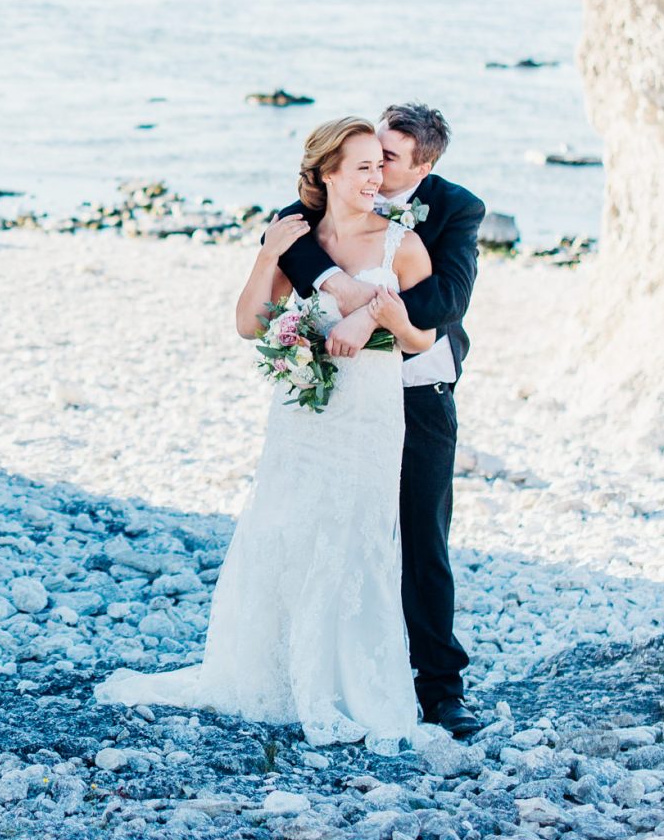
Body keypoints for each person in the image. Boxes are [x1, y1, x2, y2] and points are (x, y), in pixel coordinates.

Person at [94, 117, 437, 751]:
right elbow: (251, 324)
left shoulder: (403, 247)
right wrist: (266, 255)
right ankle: (271, 672)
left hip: (369, 412)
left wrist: (386, 315)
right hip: (303, 414)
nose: (375, 177)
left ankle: (345, 681)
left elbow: (424, 340)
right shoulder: (296, 239)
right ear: (328, 174)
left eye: (378, 166)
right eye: (361, 167)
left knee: (355, 532)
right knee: (284, 524)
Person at [272, 102, 486, 740]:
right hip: (345, 390)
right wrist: (337, 282)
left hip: (418, 385)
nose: (375, 165)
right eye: (371, 153)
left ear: (424, 164)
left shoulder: (457, 208)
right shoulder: (342, 184)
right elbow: (283, 234)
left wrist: (369, 314)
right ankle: (323, 669)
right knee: (331, 525)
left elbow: (448, 299)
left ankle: (441, 691)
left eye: (389, 158)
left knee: (422, 540)